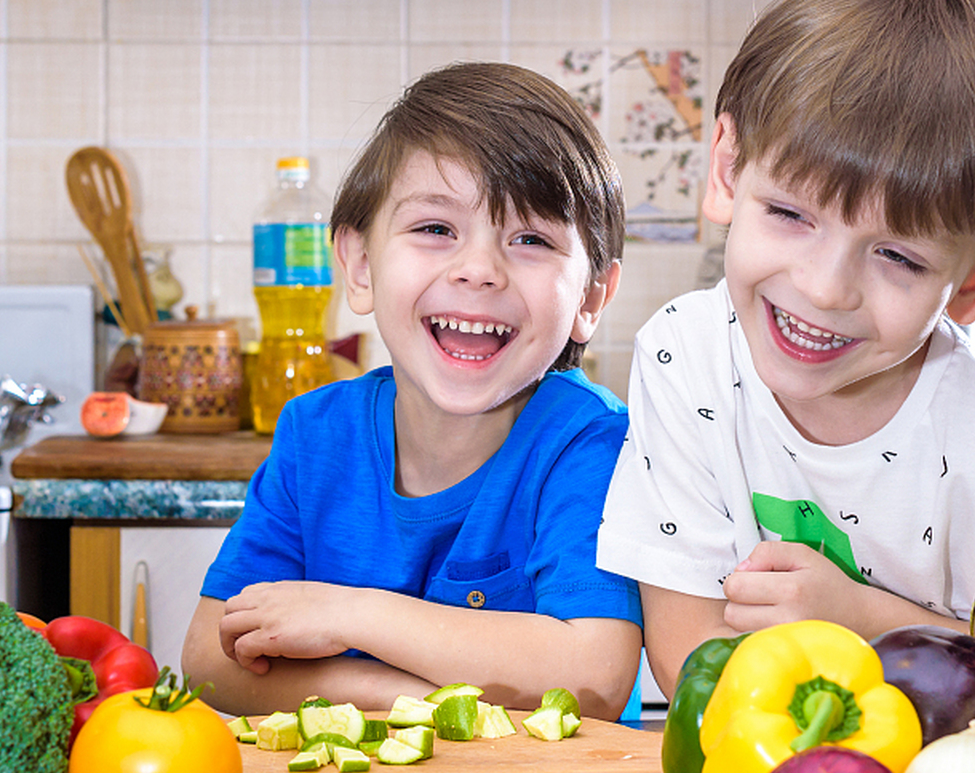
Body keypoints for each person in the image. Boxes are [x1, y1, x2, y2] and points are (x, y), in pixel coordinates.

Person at [597, 0, 975, 698]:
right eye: (791, 215)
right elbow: (687, 660)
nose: (825, 289)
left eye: (897, 256)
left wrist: (860, 617)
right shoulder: (686, 356)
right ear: (727, 171)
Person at [183, 62, 643, 720]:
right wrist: (398, 697)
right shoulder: (316, 434)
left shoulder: (589, 441)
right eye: (435, 229)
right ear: (361, 265)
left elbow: (592, 678)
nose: (480, 270)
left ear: (591, 298)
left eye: (531, 239)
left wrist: (349, 615)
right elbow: (208, 661)